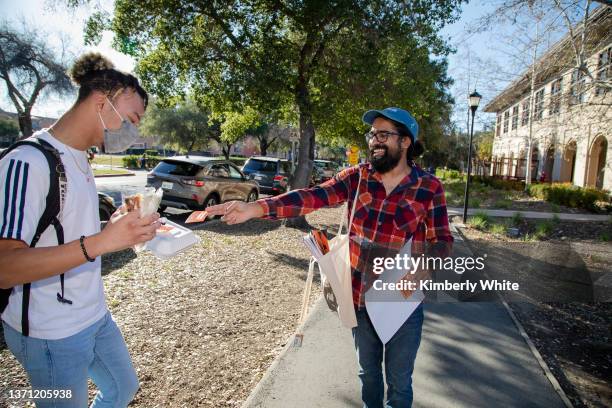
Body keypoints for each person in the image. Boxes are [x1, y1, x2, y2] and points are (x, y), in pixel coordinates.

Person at [207, 107, 454, 408]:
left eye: (383, 134)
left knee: (400, 383)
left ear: (405, 143)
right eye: (372, 134)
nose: (374, 140)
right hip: (359, 299)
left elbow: (442, 240)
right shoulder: (357, 178)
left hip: (401, 302)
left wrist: (426, 267)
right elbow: (311, 197)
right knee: (369, 375)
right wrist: (256, 208)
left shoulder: (429, 188)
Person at [0, 52, 161, 407]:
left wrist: (115, 228)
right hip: (49, 332)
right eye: (131, 119)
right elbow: (5, 267)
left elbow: (68, 232)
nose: (132, 132)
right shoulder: (28, 161)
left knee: (122, 389)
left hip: (95, 315)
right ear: (102, 103)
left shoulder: (80, 157)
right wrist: (101, 241)